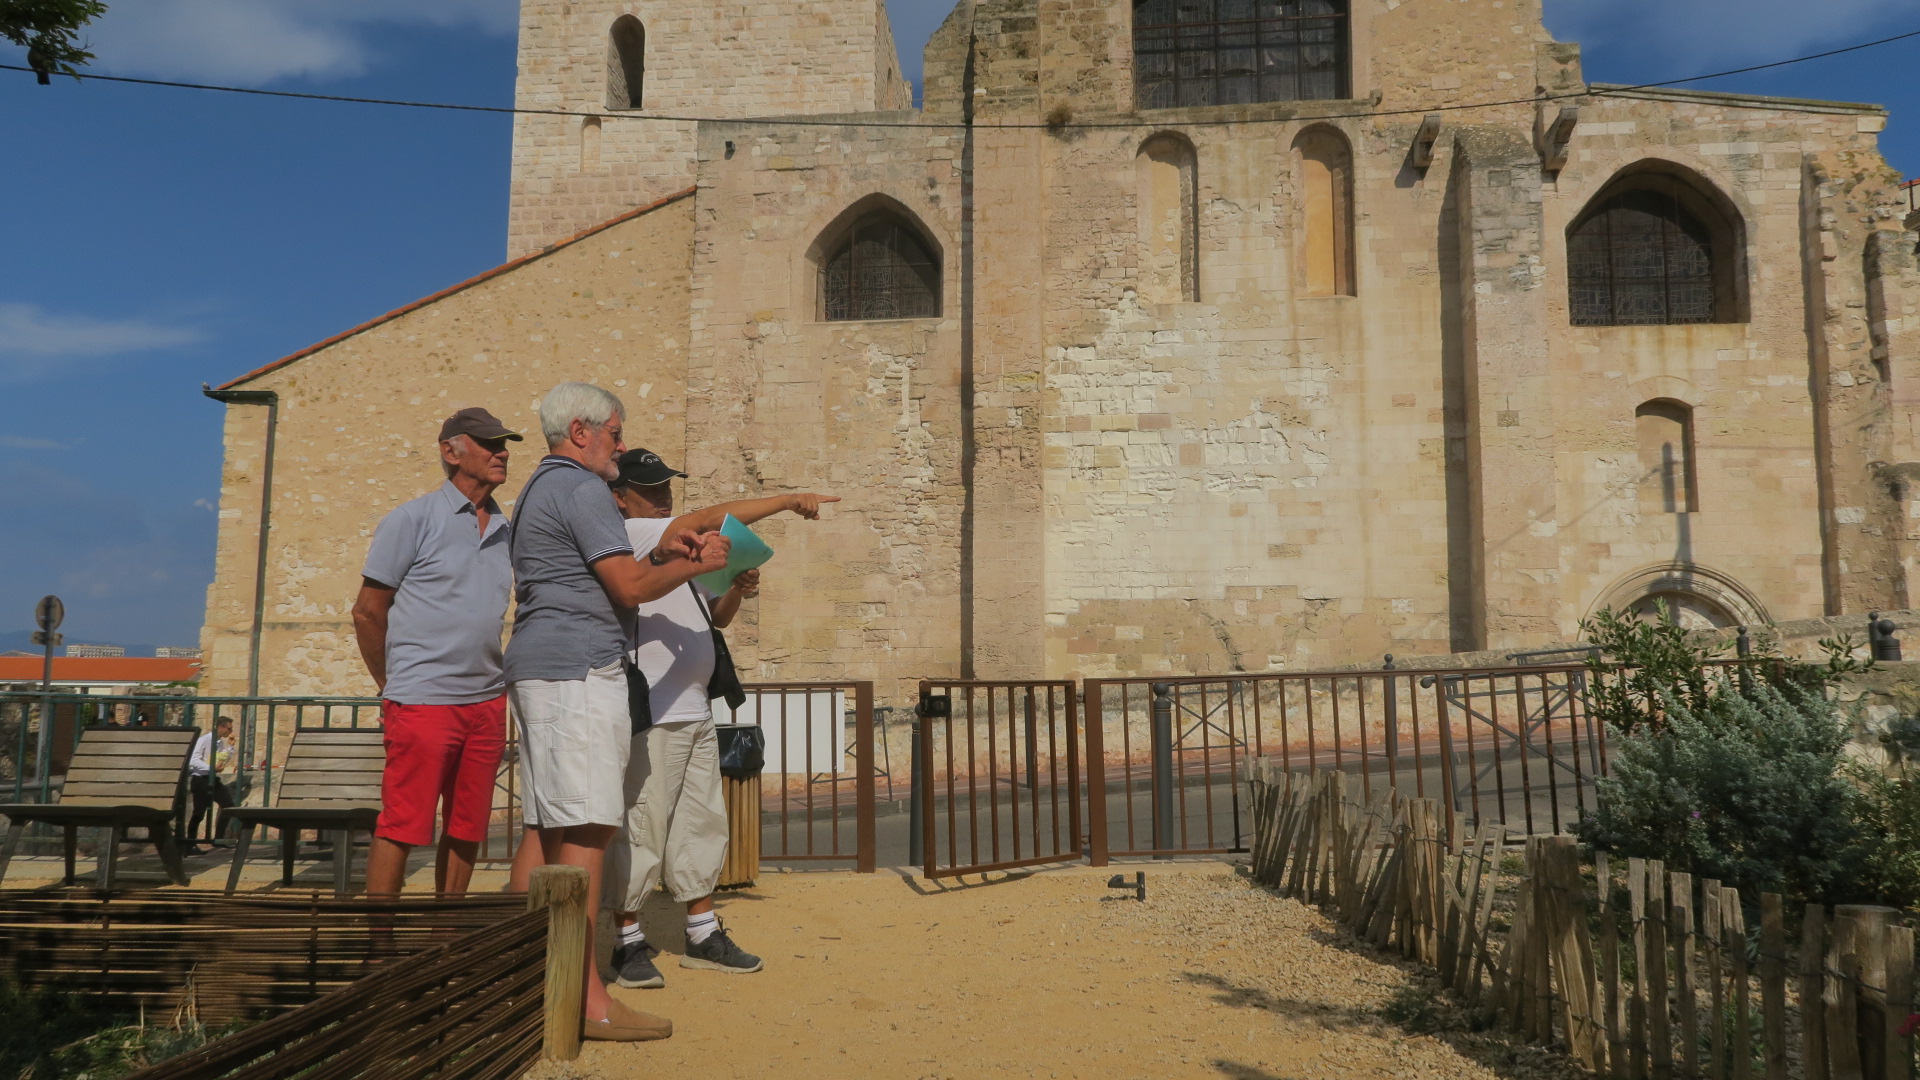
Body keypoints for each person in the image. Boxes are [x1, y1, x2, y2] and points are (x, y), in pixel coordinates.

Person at [504, 383, 729, 1043]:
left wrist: (662, 558)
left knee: (549, 831)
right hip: (578, 672)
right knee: (585, 832)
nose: (621, 447)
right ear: (582, 431)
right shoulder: (580, 490)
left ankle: (521, 978)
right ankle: (584, 998)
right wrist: (697, 565)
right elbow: (627, 589)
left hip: (548, 667)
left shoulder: (542, 489)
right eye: (615, 434)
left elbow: (613, 571)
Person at [600, 447, 839, 989]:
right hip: (654, 715)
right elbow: (707, 518)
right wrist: (787, 500)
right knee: (642, 827)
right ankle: (626, 941)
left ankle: (702, 932)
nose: (663, 496)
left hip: (693, 709)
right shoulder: (636, 537)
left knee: (700, 824)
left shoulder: (672, 548)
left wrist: (734, 588)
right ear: (621, 497)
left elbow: (716, 621)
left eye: (666, 486)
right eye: (652, 487)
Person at [352, 407, 521, 897]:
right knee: (403, 825)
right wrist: (394, 685)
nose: (501, 452)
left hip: (487, 701)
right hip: (422, 702)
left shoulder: (507, 528)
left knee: (469, 828)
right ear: (451, 451)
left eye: (504, 442)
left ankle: (444, 943)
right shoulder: (411, 519)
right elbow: (367, 611)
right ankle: (379, 951)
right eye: (489, 443)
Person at [187, 716, 236, 851]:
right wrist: (211, 768)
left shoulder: (219, 742)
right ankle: (190, 843)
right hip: (200, 779)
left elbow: (221, 758)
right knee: (199, 813)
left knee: (228, 805)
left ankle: (218, 838)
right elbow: (193, 760)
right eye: (229, 728)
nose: (230, 731)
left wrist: (231, 748)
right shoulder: (204, 740)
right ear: (221, 727)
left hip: (212, 778)